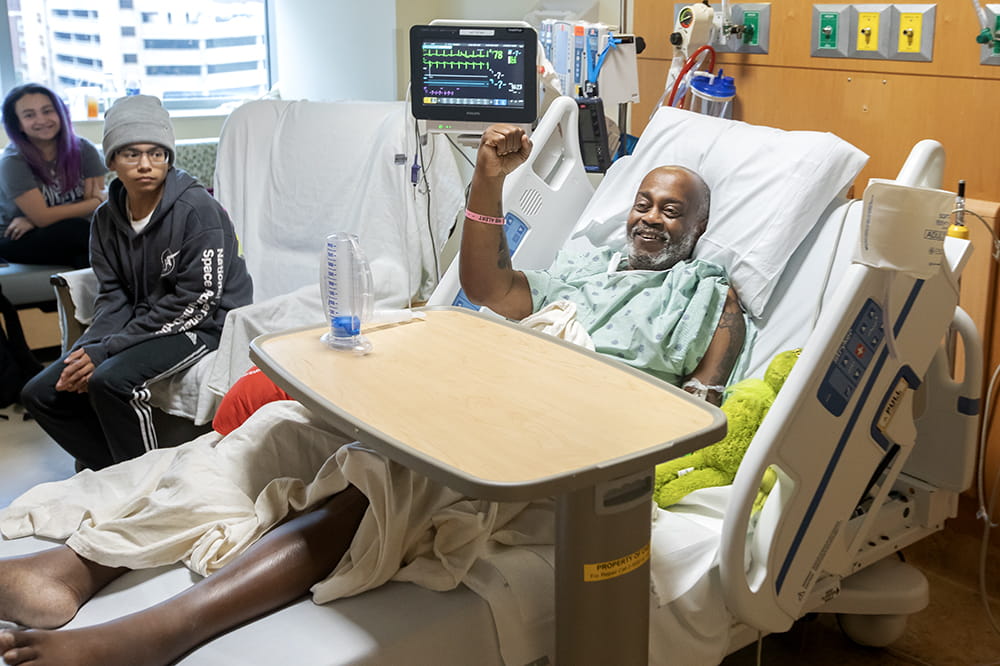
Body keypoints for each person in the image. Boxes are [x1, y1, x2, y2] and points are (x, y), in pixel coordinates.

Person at [0, 124, 745, 666]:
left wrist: (722, 340)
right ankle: (78, 568)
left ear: (700, 228)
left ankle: (165, 629)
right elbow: (489, 288)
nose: (650, 217)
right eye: (644, 202)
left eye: (671, 210)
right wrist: (488, 179)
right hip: (494, 378)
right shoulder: (584, 269)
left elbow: (700, 406)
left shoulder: (710, 296)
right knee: (279, 427)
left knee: (382, 472)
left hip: (565, 427)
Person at [18, 94, 253, 471]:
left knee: (109, 380)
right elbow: (113, 296)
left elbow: (198, 303)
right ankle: (112, 471)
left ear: (168, 158)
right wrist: (93, 345)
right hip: (144, 321)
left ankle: (147, 480)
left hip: (205, 325)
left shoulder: (198, 212)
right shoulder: (106, 220)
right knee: (41, 392)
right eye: (131, 154)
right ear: (111, 161)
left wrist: (109, 351)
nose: (146, 164)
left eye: (156, 154)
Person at [0, 83, 107, 268]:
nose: (41, 120)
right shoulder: (13, 161)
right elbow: (93, 203)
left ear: (61, 113)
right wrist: (98, 201)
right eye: (29, 115)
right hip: (17, 237)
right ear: (18, 124)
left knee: (86, 257)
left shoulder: (84, 150)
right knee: (79, 231)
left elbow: (92, 210)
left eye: (47, 111)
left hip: (66, 234)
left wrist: (36, 218)